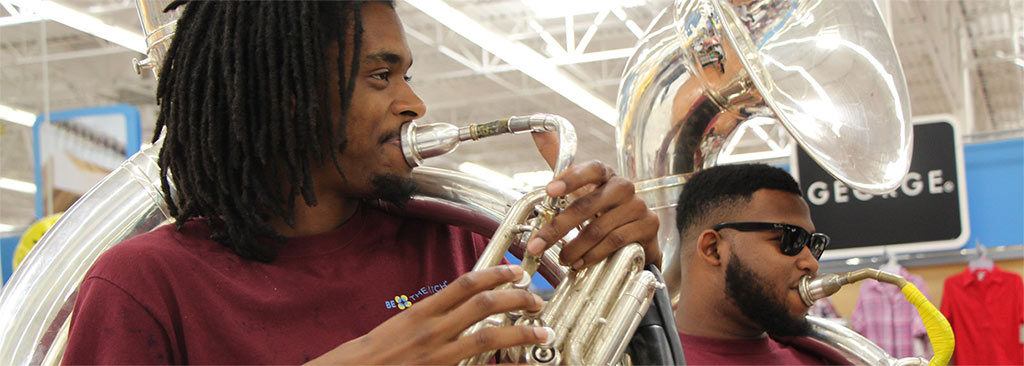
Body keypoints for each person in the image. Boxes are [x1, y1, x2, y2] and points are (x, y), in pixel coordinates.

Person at [61, 1, 661, 364]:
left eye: (407, 75)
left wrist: (628, 268)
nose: (415, 104)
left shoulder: (462, 242)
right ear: (286, 95)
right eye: (381, 76)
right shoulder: (142, 283)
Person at [672, 163, 831, 365]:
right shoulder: (642, 359)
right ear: (713, 249)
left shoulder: (820, 358)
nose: (811, 263)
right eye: (788, 240)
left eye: (813, 244)